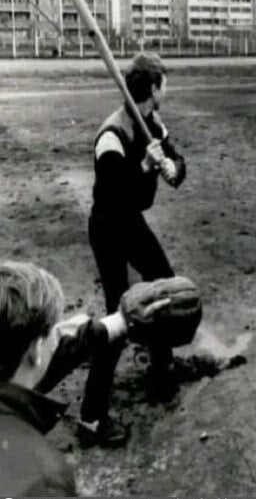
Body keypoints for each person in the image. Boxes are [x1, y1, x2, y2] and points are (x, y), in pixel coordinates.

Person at [79, 53, 186, 447]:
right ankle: (91, 417)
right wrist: (142, 167)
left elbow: (175, 158)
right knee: (118, 314)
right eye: (164, 83)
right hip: (108, 226)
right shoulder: (112, 135)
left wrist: (172, 168)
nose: (166, 89)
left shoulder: (153, 122)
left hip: (130, 222)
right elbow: (113, 193)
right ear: (153, 88)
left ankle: (161, 366)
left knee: (163, 284)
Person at [0, 260, 135, 496]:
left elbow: (58, 349)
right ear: (35, 350)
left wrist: (119, 322)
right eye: (53, 330)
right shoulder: (43, 479)